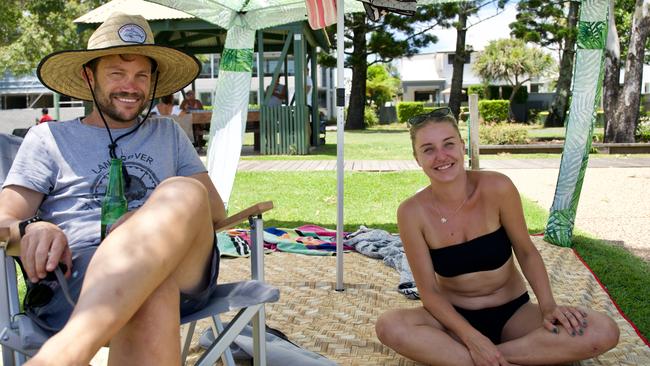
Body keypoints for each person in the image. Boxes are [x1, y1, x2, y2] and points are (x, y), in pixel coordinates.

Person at [0, 12, 226, 366]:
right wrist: (33, 226)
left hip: (182, 267)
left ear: (153, 82)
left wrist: (145, 221)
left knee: (184, 191)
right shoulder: (49, 139)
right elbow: (4, 219)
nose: (130, 86)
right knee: (153, 290)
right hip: (78, 276)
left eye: (141, 76)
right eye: (117, 74)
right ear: (89, 77)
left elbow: (214, 213)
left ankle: (66, 353)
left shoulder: (168, 134)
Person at [375, 108, 619, 366]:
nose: (441, 156)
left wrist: (548, 306)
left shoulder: (498, 188)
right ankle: (515, 356)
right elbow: (430, 292)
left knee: (602, 330)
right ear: (417, 158)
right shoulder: (412, 213)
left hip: (515, 313)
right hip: (452, 321)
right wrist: (470, 337)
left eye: (448, 144)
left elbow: (526, 251)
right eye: (428, 149)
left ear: (462, 146)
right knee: (389, 326)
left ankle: (489, 359)